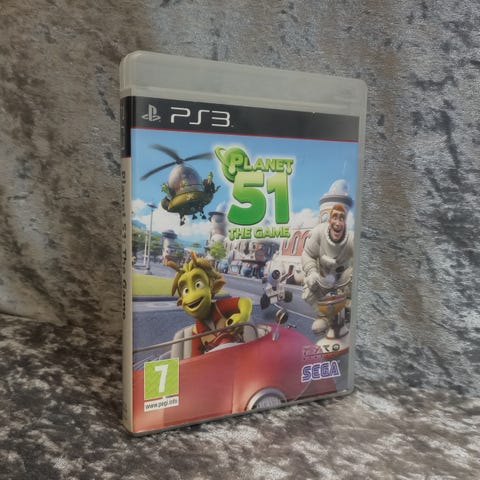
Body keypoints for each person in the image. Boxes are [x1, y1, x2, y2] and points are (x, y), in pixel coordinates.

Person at [301, 204, 353, 334]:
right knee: (308, 289)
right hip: (323, 279)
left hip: (343, 280)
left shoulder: (351, 239)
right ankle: (325, 317)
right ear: (329, 220)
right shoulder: (318, 233)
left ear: (345, 222)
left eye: (341, 218)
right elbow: (307, 254)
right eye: (335, 217)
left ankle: (349, 309)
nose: (337, 223)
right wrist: (312, 272)